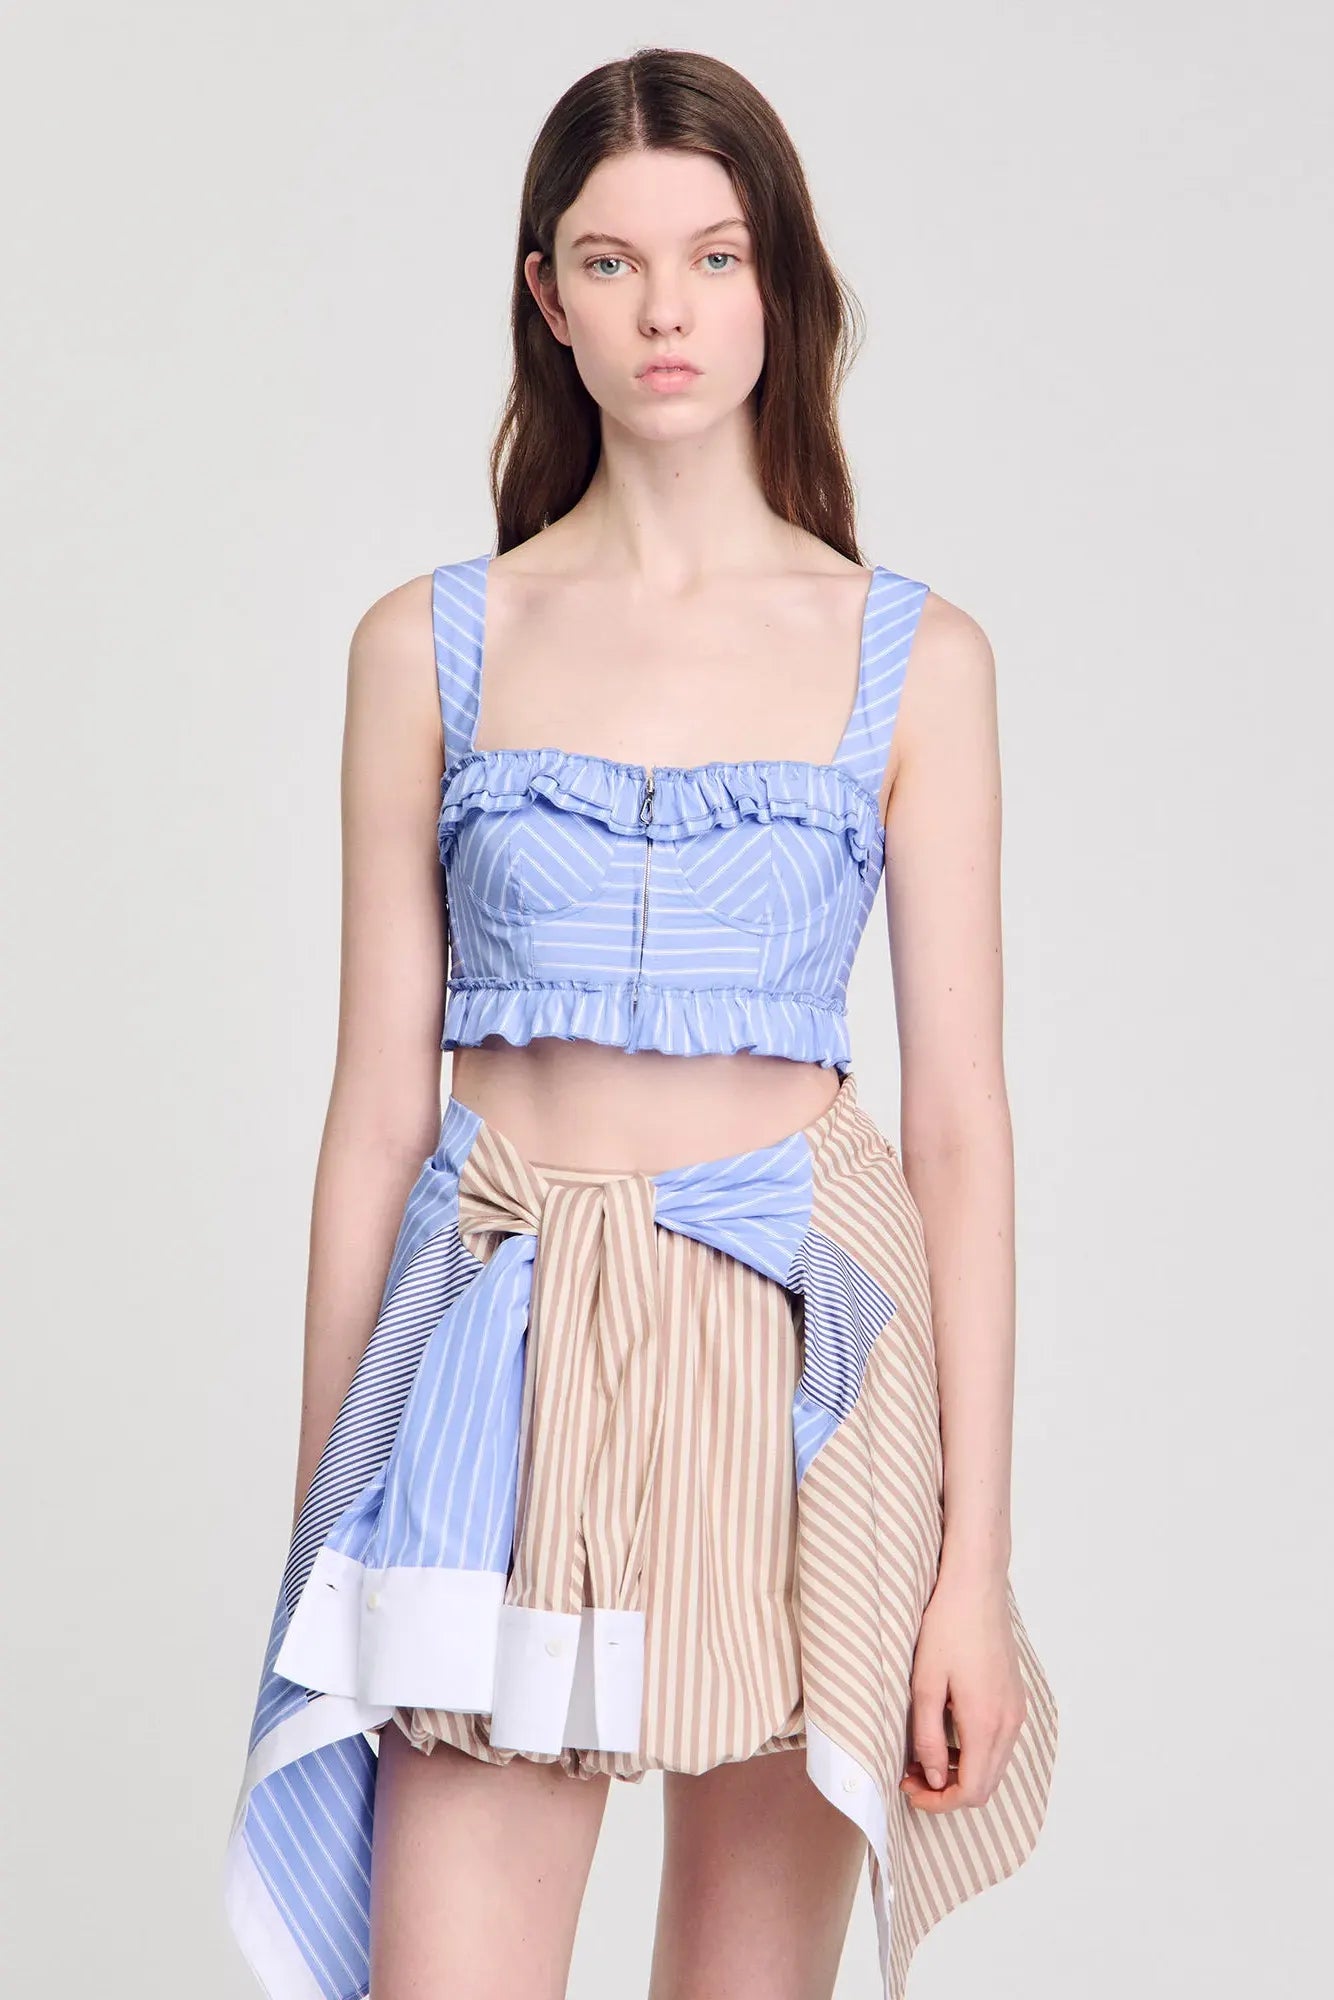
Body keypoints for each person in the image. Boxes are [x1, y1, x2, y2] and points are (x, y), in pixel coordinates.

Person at [224, 45, 1058, 2000]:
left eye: (714, 255)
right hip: (499, 1372)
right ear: (547, 297)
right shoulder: (428, 643)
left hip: (803, 1369)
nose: (664, 308)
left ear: (779, 287)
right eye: (610, 262)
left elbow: (958, 1133)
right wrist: (323, 1519)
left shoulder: (914, 658)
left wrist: (973, 1567)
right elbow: (376, 1120)